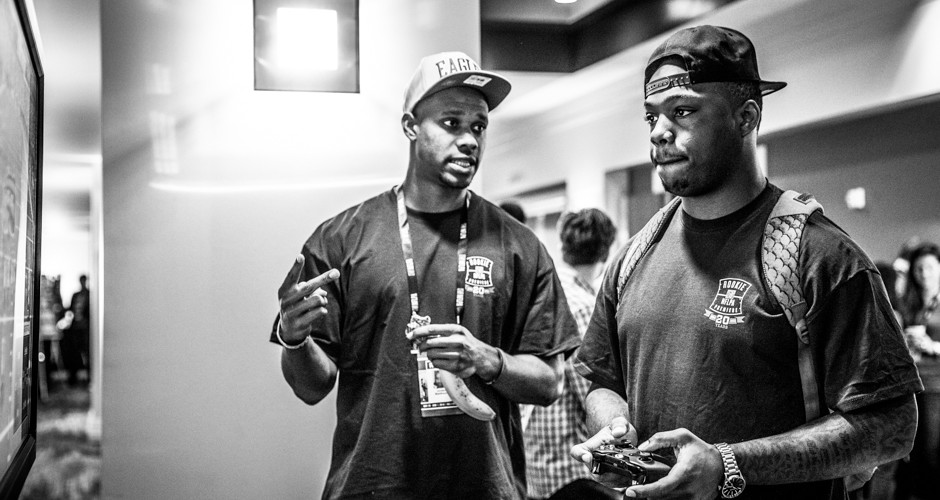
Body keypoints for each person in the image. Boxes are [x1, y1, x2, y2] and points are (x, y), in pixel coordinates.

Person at [569, 25, 921, 500]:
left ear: (746, 116)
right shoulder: (633, 256)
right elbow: (601, 380)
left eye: (683, 111)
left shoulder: (819, 256)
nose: (658, 132)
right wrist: (617, 433)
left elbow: (891, 425)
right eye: (651, 116)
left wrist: (728, 463)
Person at [270, 51, 580, 500]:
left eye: (479, 126)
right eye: (452, 124)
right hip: (372, 487)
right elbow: (310, 387)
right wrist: (294, 338)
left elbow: (550, 382)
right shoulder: (342, 239)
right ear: (411, 126)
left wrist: (487, 360)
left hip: (484, 488)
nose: (470, 140)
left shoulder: (518, 245)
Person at [524, 209, 619, 500]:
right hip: (573, 466)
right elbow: (592, 392)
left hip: (537, 462)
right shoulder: (584, 307)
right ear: (606, 250)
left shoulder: (540, 295)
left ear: (563, 247)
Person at [895, 242, 940, 500]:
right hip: (913, 382)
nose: (924, 274)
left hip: (936, 384)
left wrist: (932, 345)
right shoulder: (910, 301)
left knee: (932, 450)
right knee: (913, 451)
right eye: (919, 268)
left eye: (930, 267)